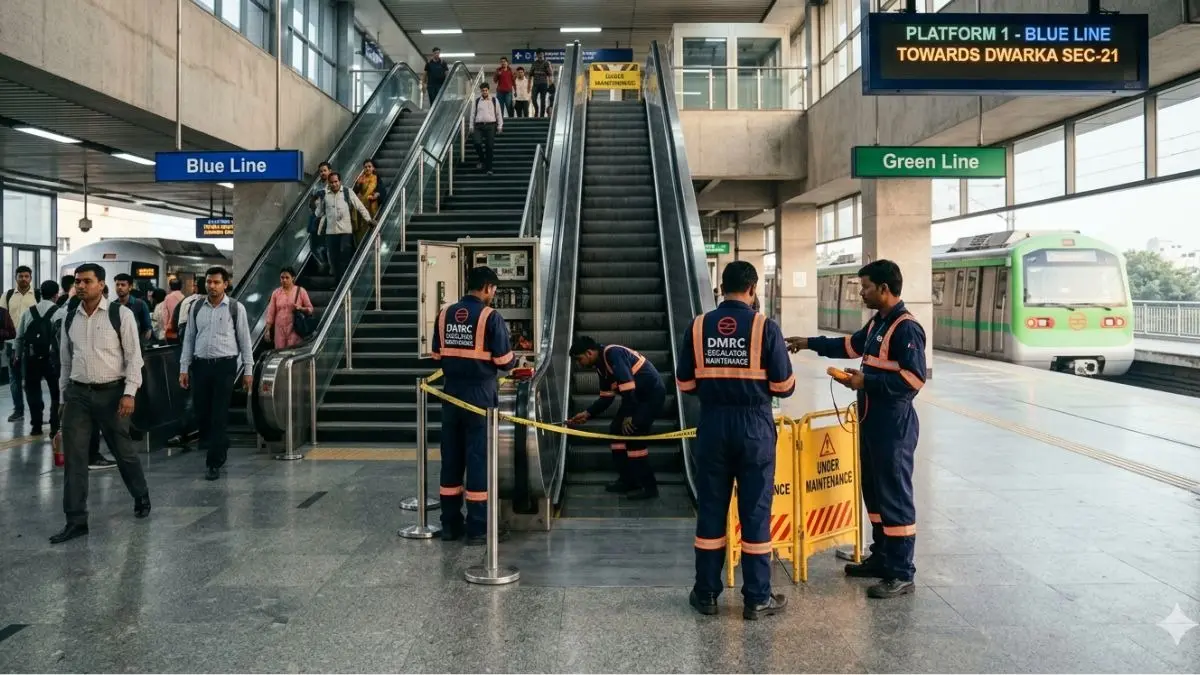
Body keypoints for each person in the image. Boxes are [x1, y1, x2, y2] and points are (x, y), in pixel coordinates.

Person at [786, 259, 925, 599]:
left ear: (884, 289)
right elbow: (849, 346)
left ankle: (901, 571)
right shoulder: (879, 322)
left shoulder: (906, 328)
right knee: (874, 493)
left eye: (865, 287)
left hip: (893, 425)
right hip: (870, 421)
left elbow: (914, 379)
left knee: (894, 495)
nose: (861, 293)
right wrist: (808, 342)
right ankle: (882, 557)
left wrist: (868, 382)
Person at [675, 260, 795, 620]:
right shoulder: (764, 327)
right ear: (752, 289)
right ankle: (756, 598)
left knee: (711, 508)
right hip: (754, 427)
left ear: (721, 288)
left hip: (713, 424)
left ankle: (706, 594)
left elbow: (684, 383)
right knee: (755, 511)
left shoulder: (698, 326)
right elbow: (784, 386)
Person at [50, 263, 150, 544]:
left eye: (87, 281)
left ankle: (140, 494)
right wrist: (63, 397)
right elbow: (65, 362)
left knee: (123, 451)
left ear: (101, 285)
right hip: (78, 394)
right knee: (75, 457)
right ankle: (75, 520)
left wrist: (129, 393)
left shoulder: (121, 315)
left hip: (112, 394)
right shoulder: (70, 318)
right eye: (77, 282)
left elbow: (134, 358)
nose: (80, 286)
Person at [430, 266, 515, 545]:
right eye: (494, 290)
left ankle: (450, 524)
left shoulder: (444, 314)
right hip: (480, 398)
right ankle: (478, 527)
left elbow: (436, 356)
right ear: (488, 287)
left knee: (451, 460)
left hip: (451, 396)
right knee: (478, 460)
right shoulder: (491, 316)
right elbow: (505, 361)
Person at [179, 267, 254, 481]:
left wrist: (248, 370)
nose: (211, 286)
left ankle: (214, 462)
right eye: (209, 282)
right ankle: (221, 442)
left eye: (216, 282)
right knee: (202, 412)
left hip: (225, 366)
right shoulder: (196, 307)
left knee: (219, 413)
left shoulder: (235, 308)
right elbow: (189, 338)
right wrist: (184, 368)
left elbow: (245, 340)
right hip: (200, 365)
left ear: (225, 285)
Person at [566, 337, 663, 500]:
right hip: (635, 398)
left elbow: (628, 387)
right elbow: (606, 398)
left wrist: (629, 416)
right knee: (616, 431)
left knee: (633, 435)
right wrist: (587, 413)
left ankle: (649, 487)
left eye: (579, 359)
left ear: (589, 353)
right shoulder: (601, 366)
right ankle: (628, 480)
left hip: (650, 396)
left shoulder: (613, 354)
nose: (579, 364)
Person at [15, 280, 64, 436]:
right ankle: (54, 426)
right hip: (53, 360)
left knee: (33, 391)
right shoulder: (60, 313)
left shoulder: (28, 312)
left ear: (40, 294)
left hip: (31, 358)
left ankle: (36, 425)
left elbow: (19, 337)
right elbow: (64, 340)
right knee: (56, 392)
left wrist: (17, 356)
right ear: (56, 295)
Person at [316, 171, 375, 281]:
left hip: (345, 231)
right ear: (328, 183)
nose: (334, 184)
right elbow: (318, 214)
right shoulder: (325, 195)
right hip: (331, 233)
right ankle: (338, 282)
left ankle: (347, 279)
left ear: (340, 181)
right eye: (331, 182)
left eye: (336, 182)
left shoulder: (348, 192)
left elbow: (360, 206)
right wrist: (320, 202)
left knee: (345, 254)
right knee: (333, 259)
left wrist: (368, 219)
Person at [6, 265, 39, 422]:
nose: (24, 279)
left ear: (30, 278)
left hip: (31, 344)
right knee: (14, 379)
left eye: (26, 276)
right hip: (11, 343)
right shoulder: (8, 295)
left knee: (32, 379)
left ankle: (36, 412)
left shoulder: (37, 295)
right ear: (16, 278)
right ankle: (18, 410)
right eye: (21, 276)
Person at [265, 267, 314, 349]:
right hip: (279, 328)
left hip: (295, 327)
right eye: (282, 277)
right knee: (280, 351)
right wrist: (267, 331)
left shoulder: (300, 291)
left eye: (287, 277)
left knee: (293, 351)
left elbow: (310, 309)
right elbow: (271, 313)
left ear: (293, 278)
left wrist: (301, 308)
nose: (284, 280)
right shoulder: (276, 293)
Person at [469, 83, 503, 175]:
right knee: (477, 143)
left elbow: (499, 114)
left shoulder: (494, 100)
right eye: (483, 91)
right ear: (481, 91)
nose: (484, 92)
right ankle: (482, 159)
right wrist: (471, 126)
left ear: (488, 90)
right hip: (478, 126)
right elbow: (472, 114)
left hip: (491, 126)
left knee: (489, 147)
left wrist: (500, 126)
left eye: (486, 90)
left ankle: (489, 168)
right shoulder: (477, 101)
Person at [352, 158, 385, 247]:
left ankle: (375, 246)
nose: (367, 169)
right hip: (360, 209)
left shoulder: (376, 178)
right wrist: (358, 184)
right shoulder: (360, 178)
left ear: (373, 168)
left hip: (372, 207)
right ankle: (361, 247)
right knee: (361, 229)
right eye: (365, 167)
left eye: (369, 166)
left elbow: (382, 190)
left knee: (372, 226)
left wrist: (377, 194)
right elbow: (354, 192)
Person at [113, 273, 154, 344]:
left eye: (123, 285)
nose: (119, 287)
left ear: (130, 287)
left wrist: (139, 345)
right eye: (117, 285)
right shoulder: (113, 306)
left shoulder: (140, 304)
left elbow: (147, 329)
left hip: (136, 345)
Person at [308, 161, 333, 270]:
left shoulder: (334, 185)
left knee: (328, 245)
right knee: (313, 246)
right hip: (315, 219)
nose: (322, 173)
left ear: (330, 171)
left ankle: (332, 266)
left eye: (324, 170)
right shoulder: (316, 186)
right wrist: (313, 203)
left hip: (328, 219)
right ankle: (324, 263)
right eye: (321, 171)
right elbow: (311, 203)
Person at [529, 50, 554, 118]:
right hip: (535, 84)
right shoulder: (534, 63)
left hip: (544, 84)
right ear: (537, 55)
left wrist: (548, 67)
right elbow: (530, 74)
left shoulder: (546, 63)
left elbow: (550, 73)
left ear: (543, 55)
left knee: (543, 101)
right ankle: (536, 109)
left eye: (541, 54)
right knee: (533, 99)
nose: (540, 55)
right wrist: (529, 84)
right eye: (539, 54)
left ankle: (542, 116)